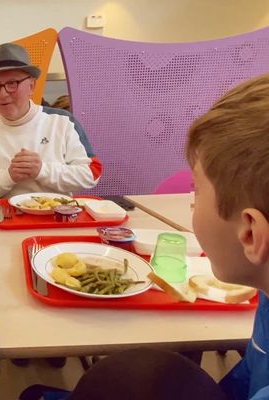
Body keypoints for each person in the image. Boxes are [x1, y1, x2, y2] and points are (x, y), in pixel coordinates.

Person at [22, 72, 269, 400]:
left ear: (250, 234)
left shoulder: (61, 124)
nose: (192, 202)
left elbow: (90, 172)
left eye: (196, 189)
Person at [0, 42, 102, 199]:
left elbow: (92, 174)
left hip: (56, 217)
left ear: (31, 86)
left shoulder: (63, 122)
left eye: (11, 84)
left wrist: (42, 170)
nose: (2, 94)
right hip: (2, 220)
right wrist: (8, 177)